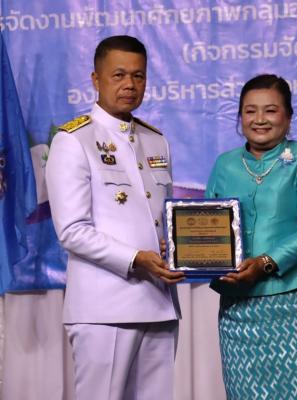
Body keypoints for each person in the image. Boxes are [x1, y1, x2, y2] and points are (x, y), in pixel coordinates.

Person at [46, 35, 184, 400]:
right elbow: (72, 231)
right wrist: (136, 258)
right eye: (119, 75)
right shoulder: (73, 140)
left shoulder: (156, 140)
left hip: (159, 302)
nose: (130, 85)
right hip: (104, 307)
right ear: (96, 79)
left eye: (138, 76)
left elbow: (161, 220)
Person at [205, 74, 297, 399]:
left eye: (270, 110)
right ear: (239, 117)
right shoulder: (224, 164)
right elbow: (206, 228)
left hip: (293, 305)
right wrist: (184, 250)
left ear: (288, 116)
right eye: (250, 111)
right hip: (238, 309)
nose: (259, 119)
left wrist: (266, 262)